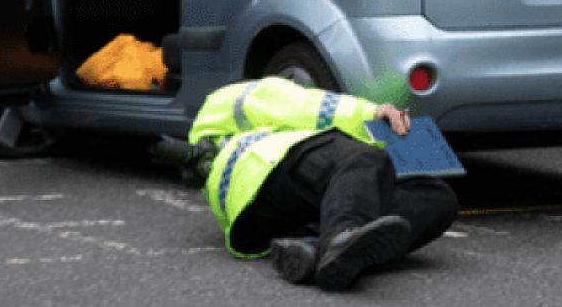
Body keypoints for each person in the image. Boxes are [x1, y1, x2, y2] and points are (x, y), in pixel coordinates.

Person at [158, 77, 460, 291]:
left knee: (439, 198)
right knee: (364, 159)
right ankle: (341, 235)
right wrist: (369, 113)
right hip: (264, 166)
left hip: (262, 223)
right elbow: (303, 104)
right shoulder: (238, 97)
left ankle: (313, 248)